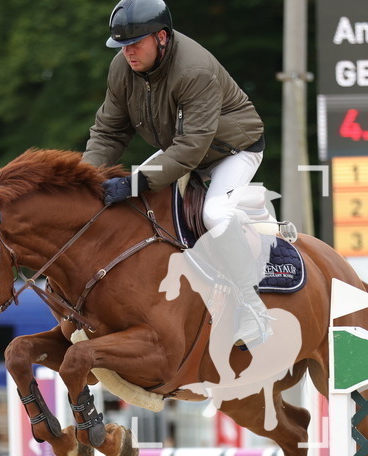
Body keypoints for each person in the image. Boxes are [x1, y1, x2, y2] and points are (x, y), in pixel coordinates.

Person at [82, 0, 270, 346]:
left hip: (232, 149)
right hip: (182, 148)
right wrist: (84, 179)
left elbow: (190, 149)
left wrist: (136, 180)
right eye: (122, 46)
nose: (128, 53)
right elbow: (109, 133)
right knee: (131, 204)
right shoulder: (123, 70)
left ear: (163, 37)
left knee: (215, 213)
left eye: (136, 44)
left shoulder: (193, 70)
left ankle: (253, 305)